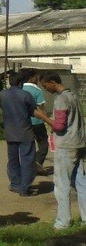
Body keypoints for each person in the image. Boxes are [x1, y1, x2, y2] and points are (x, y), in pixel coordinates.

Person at [36, 71, 86, 229]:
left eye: (45, 86)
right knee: (81, 182)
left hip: (66, 145)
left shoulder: (61, 99)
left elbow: (59, 125)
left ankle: (63, 221)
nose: (46, 89)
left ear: (52, 82)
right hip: (79, 142)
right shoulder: (73, 96)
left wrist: (41, 116)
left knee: (61, 184)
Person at [0, 70, 45, 196]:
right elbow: (33, 110)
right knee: (27, 160)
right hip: (25, 132)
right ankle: (25, 187)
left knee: (13, 160)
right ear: (21, 82)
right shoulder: (25, 95)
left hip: (10, 132)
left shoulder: (3, 95)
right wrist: (49, 120)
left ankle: (15, 184)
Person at [21, 69, 50, 174]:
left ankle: (30, 166)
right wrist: (47, 120)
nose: (37, 79)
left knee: (30, 145)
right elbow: (41, 108)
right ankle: (37, 162)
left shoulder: (21, 89)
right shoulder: (37, 90)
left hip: (24, 122)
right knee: (43, 143)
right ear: (31, 77)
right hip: (37, 121)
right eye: (36, 77)